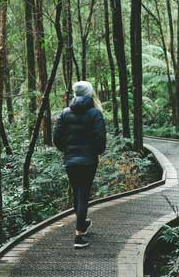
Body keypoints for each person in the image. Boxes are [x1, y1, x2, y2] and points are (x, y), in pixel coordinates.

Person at [53, 81, 106, 249]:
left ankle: (82, 224)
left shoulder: (64, 113)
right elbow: (100, 139)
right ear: (90, 94)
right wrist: (97, 151)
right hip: (88, 161)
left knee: (77, 193)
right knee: (83, 194)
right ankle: (78, 236)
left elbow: (56, 138)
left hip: (70, 161)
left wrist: (67, 150)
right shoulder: (95, 114)